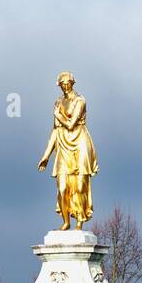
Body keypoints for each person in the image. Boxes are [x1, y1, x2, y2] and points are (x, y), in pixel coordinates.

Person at [37, 72, 99, 230]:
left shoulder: (80, 101)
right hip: (63, 144)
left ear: (72, 83)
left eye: (67, 83)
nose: (65, 86)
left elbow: (71, 124)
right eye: (62, 84)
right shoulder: (58, 103)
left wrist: (58, 115)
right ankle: (66, 222)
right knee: (62, 188)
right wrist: (45, 156)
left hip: (80, 142)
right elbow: (55, 130)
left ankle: (79, 220)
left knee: (80, 185)